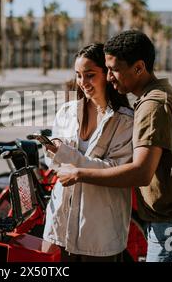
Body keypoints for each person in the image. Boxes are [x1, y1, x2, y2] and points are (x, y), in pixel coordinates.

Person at [56, 30, 172, 262]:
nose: (109, 77)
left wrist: (79, 173)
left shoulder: (153, 106)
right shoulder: (167, 93)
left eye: (114, 69)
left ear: (139, 68)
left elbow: (141, 172)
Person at [42, 43, 134, 262]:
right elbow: (52, 163)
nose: (83, 83)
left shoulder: (126, 121)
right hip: (59, 224)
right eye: (79, 75)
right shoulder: (67, 112)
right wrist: (53, 150)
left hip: (99, 234)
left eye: (90, 75)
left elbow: (117, 170)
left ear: (107, 74)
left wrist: (65, 154)